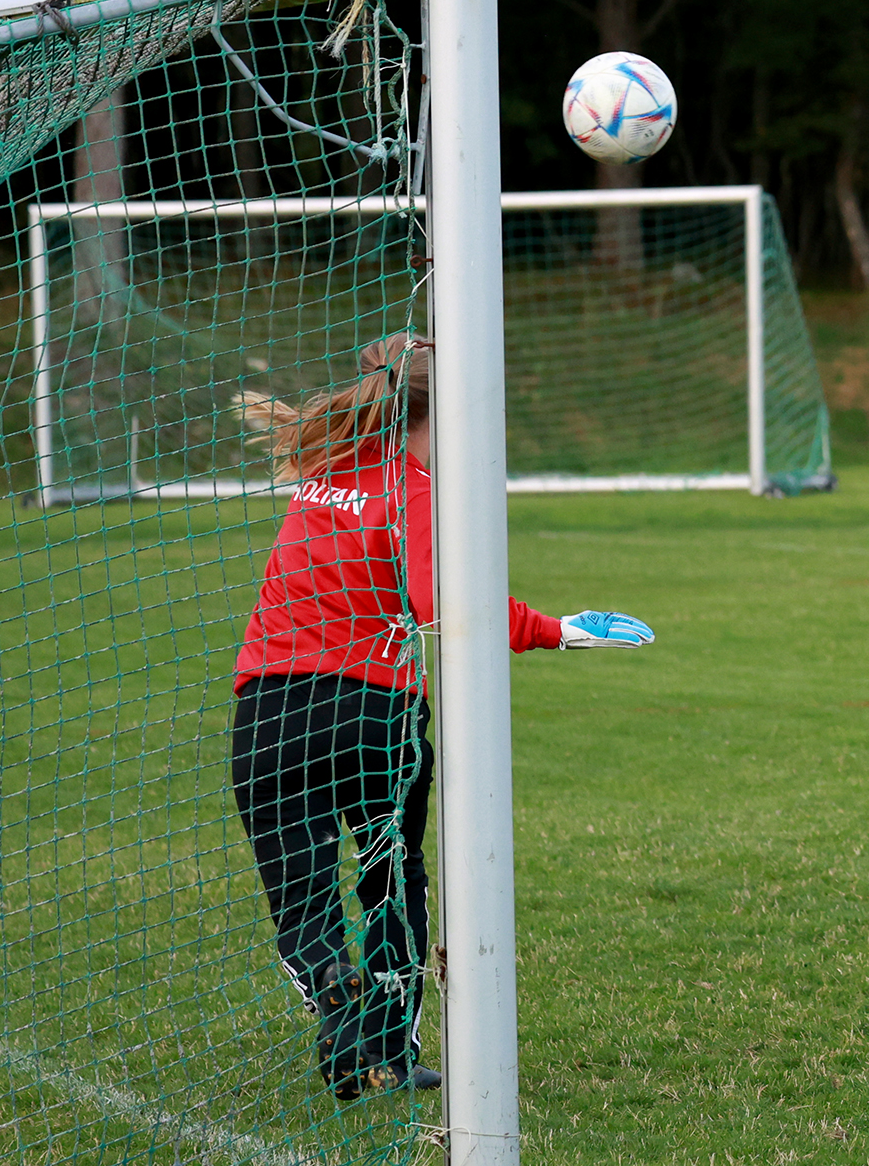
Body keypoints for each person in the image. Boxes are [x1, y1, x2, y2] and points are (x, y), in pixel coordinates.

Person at [231, 335, 655, 1099]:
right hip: (375, 714)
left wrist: (408, 356)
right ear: (453, 414)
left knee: (301, 887)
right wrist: (558, 629)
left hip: (271, 713)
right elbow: (446, 602)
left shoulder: (325, 469)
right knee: (392, 876)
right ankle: (386, 1050)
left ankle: (331, 987)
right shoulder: (421, 492)